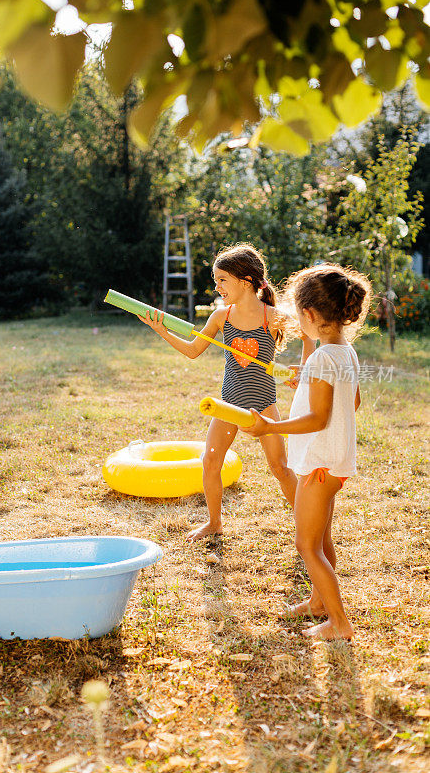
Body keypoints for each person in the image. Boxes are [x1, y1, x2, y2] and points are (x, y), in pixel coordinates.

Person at [139, 244, 315, 541]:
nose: (217, 286)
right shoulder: (221, 316)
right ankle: (214, 523)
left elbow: (310, 334)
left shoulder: (271, 316)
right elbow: (194, 350)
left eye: (223, 280)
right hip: (228, 404)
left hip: (264, 405)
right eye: (216, 279)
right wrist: (163, 331)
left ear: (245, 281)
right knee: (210, 462)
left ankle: (309, 524)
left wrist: (304, 368)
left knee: (280, 468)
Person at [243, 264, 372, 639]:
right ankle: (319, 603)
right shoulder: (343, 352)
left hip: (320, 464)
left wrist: (270, 427)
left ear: (311, 315)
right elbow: (353, 402)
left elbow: (318, 418)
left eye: (298, 314)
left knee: (307, 545)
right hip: (334, 462)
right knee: (321, 538)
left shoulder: (322, 359)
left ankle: (339, 622)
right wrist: (309, 384)